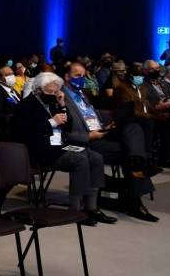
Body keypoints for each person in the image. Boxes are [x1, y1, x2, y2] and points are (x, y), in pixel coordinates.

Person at [12, 72, 113, 226]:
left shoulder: (54, 103)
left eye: (55, 91)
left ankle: (92, 207)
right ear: (38, 89)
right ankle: (76, 210)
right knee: (80, 160)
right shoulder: (25, 106)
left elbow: (68, 127)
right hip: (40, 149)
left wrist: (62, 105)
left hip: (60, 145)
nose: (53, 95)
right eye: (50, 92)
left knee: (95, 157)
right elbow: (24, 133)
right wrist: (51, 122)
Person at [61, 62, 156, 221]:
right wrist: (89, 136)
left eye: (83, 76)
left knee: (133, 126)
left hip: (100, 131)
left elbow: (92, 117)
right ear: (66, 76)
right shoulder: (61, 96)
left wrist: (106, 126)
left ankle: (137, 161)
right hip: (86, 140)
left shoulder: (82, 94)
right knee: (129, 153)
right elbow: (65, 130)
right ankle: (136, 198)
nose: (81, 79)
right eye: (77, 75)